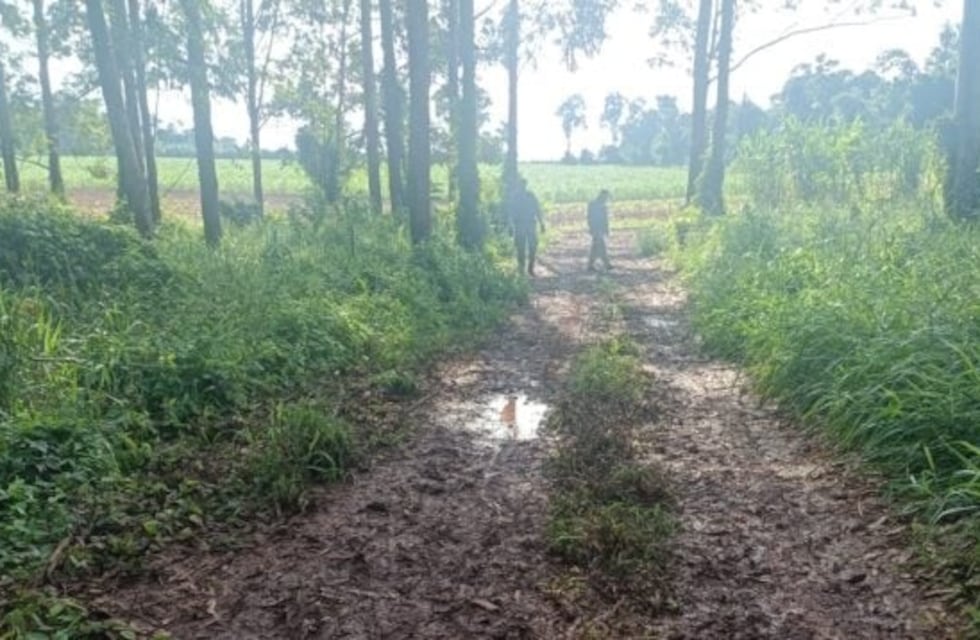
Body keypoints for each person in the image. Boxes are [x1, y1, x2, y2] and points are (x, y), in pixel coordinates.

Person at [510, 178, 545, 276]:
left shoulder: (530, 196)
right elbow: (511, 212)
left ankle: (530, 268)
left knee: (532, 247)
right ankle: (522, 269)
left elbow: (537, 210)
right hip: (520, 225)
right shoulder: (515, 197)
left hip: (529, 224)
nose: (522, 187)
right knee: (521, 248)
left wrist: (541, 223)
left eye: (523, 185)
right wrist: (511, 225)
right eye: (521, 185)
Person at [587, 189, 612, 271]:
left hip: (597, 229)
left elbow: (605, 220)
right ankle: (606, 263)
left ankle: (591, 264)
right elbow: (591, 218)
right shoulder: (597, 205)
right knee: (601, 246)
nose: (606, 199)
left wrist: (606, 229)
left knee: (595, 247)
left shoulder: (595, 205)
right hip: (597, 229)